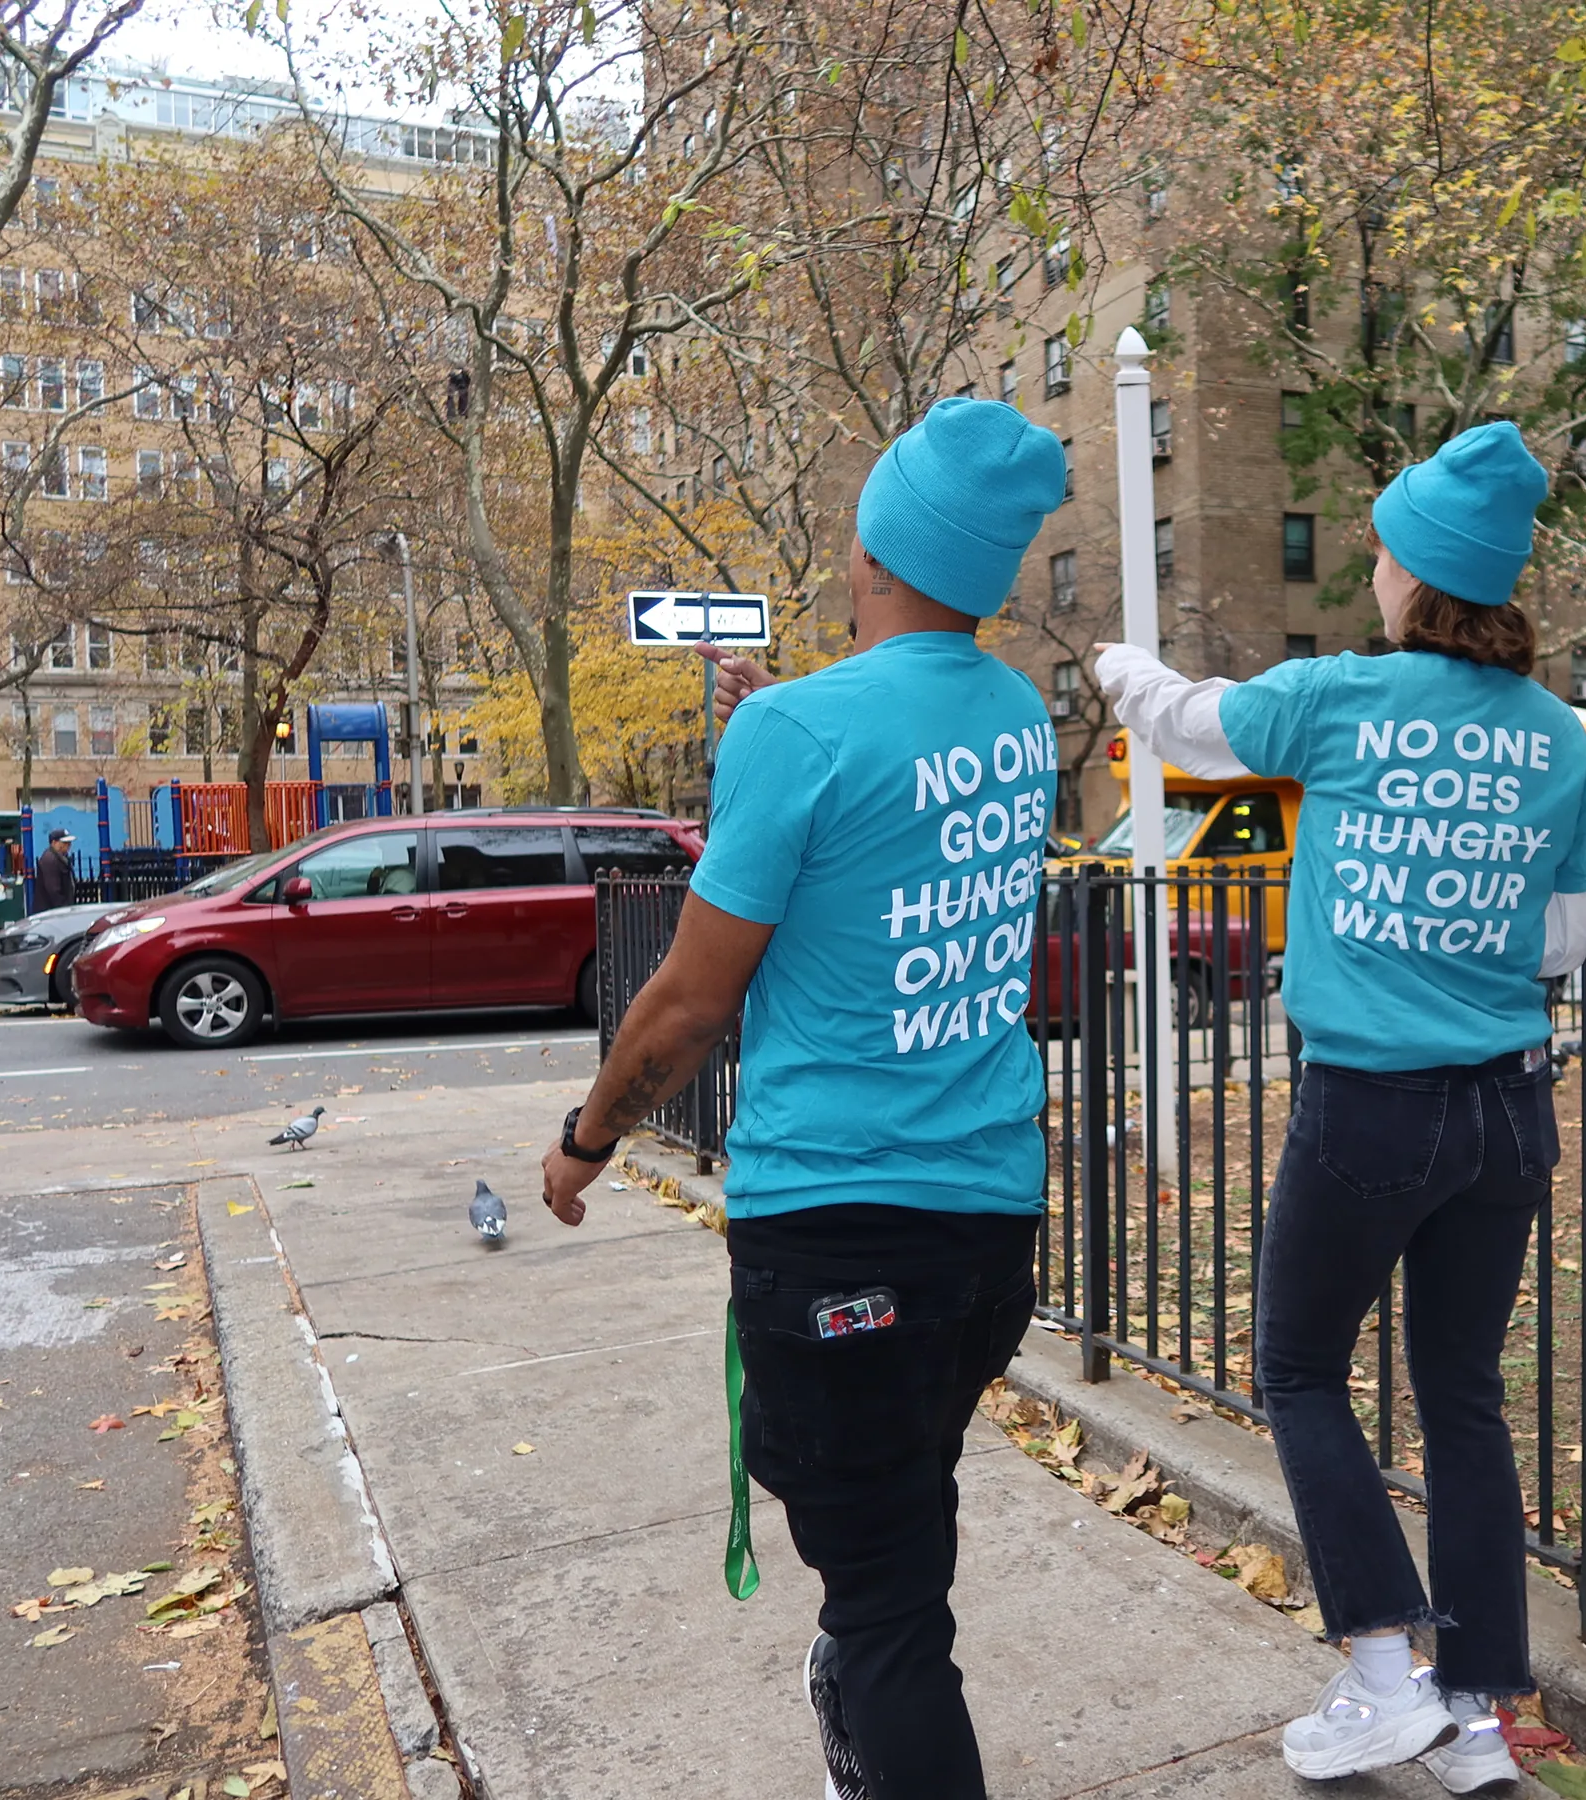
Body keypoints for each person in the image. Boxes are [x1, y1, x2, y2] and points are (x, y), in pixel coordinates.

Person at [538, 397, 1066, 1800]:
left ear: (876, 546)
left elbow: (694, 1000)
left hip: (837, 1221)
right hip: (985, 1222)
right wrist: (775, 713)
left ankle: (871, 1722)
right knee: (896, 1523)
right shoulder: (1018, 720)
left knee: (887, 1605)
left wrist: (587, 1139)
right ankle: (860, 1698)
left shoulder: (799, 728)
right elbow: (889, 809)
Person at [1096, 422, 1586, 1787]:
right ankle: (1482, 1712)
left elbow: (1192, 728)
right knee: (1464, 1399)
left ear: (1415, 574)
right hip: (1507, 1115)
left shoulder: (1342, 698)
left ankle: (1386, 1677)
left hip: (1371, 1106)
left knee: (1301, 1371)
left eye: (1383, 546)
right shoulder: (1557, 740)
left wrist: (1117, 666)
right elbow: (1563, 945)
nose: (1372, 563)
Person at [34, 829, 78, 911]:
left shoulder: (61, 857)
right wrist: (63, 908)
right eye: (64, 843)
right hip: (51, 911)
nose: (68, 845)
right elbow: (53, 889)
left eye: (69, 842)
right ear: (54, 843)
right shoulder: (50, 860)